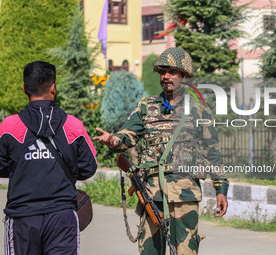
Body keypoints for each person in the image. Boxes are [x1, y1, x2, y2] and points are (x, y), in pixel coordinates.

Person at [94, 47, 228, 255]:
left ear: (183, 76)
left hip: (185, 195)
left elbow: (213, 152)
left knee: (185, 252)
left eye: (172, 72)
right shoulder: (146, 107)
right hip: (152, 195)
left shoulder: (198, 109)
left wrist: (221, 189)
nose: (166, 76)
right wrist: (113, 140)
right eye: (162, 72)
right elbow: (127, 135)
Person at [0, 61, 97, 255]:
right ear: (53, 88)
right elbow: (89, 167)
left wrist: (21, 167)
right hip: (63, 218)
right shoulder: (74, 125)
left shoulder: (9, 126)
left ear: (24, 89)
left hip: (22, 218)